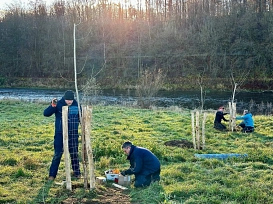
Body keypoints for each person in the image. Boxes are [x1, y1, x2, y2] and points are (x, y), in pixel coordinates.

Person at [44, 90, 81, 181]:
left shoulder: (77, 105)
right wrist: (52, 106)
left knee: (74, 154)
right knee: (57, 154)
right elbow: (46, 113)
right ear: (64, 99)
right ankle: (52, 175)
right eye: (68, 100)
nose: (69, 102)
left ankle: (77, 173)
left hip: (73, 134)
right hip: (60, 134)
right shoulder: (58, 104)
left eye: (71, 100)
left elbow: (81, 117)